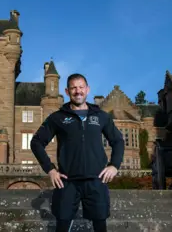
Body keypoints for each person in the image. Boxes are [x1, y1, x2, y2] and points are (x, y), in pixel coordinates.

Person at [30, 73, 125, 232]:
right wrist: (51, 170)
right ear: (67, 91)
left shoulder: (101, 116)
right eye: (73, 88)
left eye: (81, 87)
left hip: (96, 179)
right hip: (68, 181)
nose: (78, 91)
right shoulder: (57, 118)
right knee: (62, 225)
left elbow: (118, 141)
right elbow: (36, 142)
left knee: (100, 226)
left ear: (87, 89)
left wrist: (114, 165)